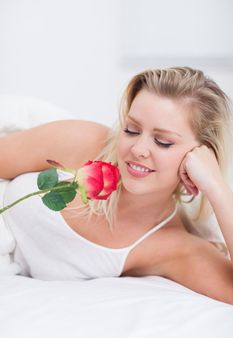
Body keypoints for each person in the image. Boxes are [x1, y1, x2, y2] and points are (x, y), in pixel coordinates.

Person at [1, 66, 233, 305]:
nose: (138, 150)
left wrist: (216, 188)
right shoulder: (81, 142)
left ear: (201, 155)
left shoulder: (171, 244)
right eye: (131, 130)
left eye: (163, 142)